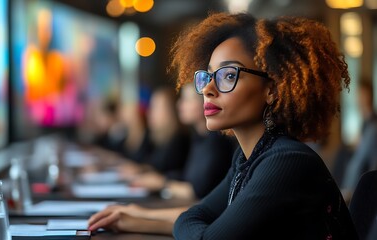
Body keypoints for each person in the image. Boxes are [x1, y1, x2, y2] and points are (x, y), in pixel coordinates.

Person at [168, 12, 357, 239]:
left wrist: (188, 224)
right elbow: (193, 216)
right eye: (208, 76)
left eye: (229, 75)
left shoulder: (287, 160)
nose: (208, 89)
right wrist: (134, 219)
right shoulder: (248, 158)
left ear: (271, 90)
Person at [88, 84, 236, 234]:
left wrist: (161, 186)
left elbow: (199, 191)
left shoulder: (210, 141)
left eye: (187, 99)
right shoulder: (198, 139)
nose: (180, 104)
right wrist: (141, 213)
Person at [341, 79, 377, 201]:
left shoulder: (373, 126)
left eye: (360, 95)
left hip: (363, 187)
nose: (357, 99)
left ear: (367, 96)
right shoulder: (364, 124)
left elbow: (371, 161)